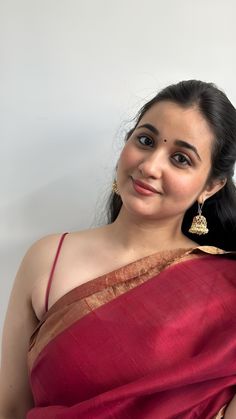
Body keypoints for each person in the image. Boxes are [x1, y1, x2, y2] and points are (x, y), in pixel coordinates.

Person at [0, 80, 236, 419]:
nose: (151, 166)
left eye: (181, 159)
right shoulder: (48, 259)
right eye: (145, 140)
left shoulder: (227, 288)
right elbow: (10, 407)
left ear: (211, 186)